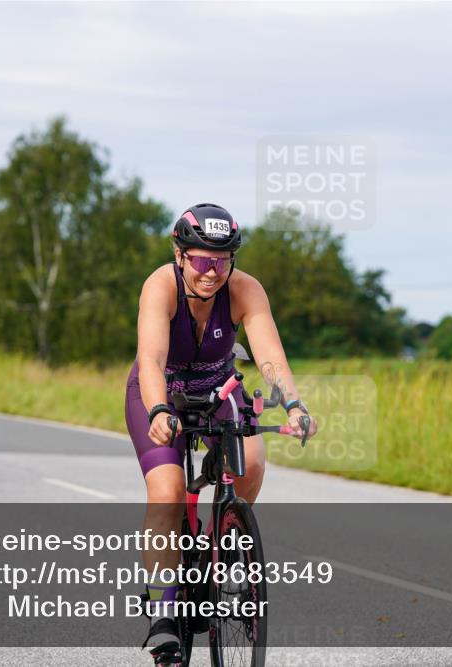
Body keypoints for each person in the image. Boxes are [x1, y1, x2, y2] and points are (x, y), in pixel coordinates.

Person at [124, 202, 317, 662]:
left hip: (218, 387)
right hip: (161, 391)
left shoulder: (246, 290)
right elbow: (150, 359)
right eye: (202, 260)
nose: (213, 272)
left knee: (251, 460)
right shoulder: (160, 286)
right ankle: (163, 617)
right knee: (168, 491)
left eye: (224, 260)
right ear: (180, 253)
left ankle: (222, 541)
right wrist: (157, 410)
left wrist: (293, 404)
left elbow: (269, 355)